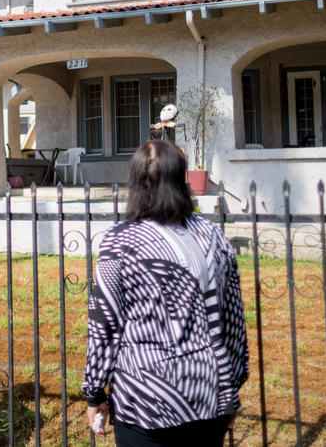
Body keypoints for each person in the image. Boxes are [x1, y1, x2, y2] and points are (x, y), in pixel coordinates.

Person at [82, 140, 248, 446]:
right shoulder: (213, 236)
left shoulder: (118, 242)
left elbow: (104, 326)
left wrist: (95, 391)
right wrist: (231, 385)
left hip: (144, 400)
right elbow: (233, 321)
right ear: (179, 179)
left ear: (135, 182)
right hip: (209, 393)